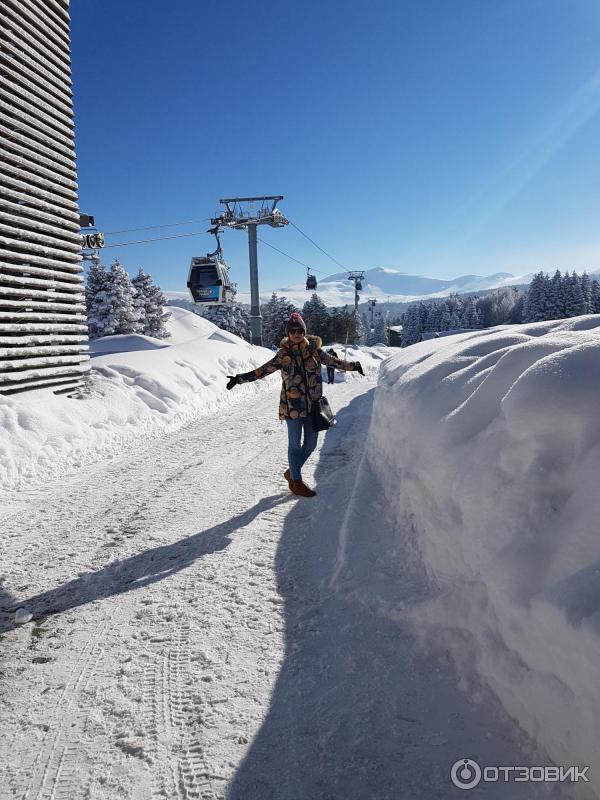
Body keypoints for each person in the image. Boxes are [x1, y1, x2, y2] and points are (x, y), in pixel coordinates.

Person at [226, 312, 364, 498]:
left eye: (300, 330)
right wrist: (239, 379)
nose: (296, 333)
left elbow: (334, 362)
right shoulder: (283, 355)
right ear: (288, 333)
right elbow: (262, 371)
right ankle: (296, 482)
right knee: (295, 445)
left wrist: (353, 365)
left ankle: (293, 471)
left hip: (313, 407)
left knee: (311, 443)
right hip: (292, 407)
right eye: (293, 331)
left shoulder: (315, 351)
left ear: (304, 332)